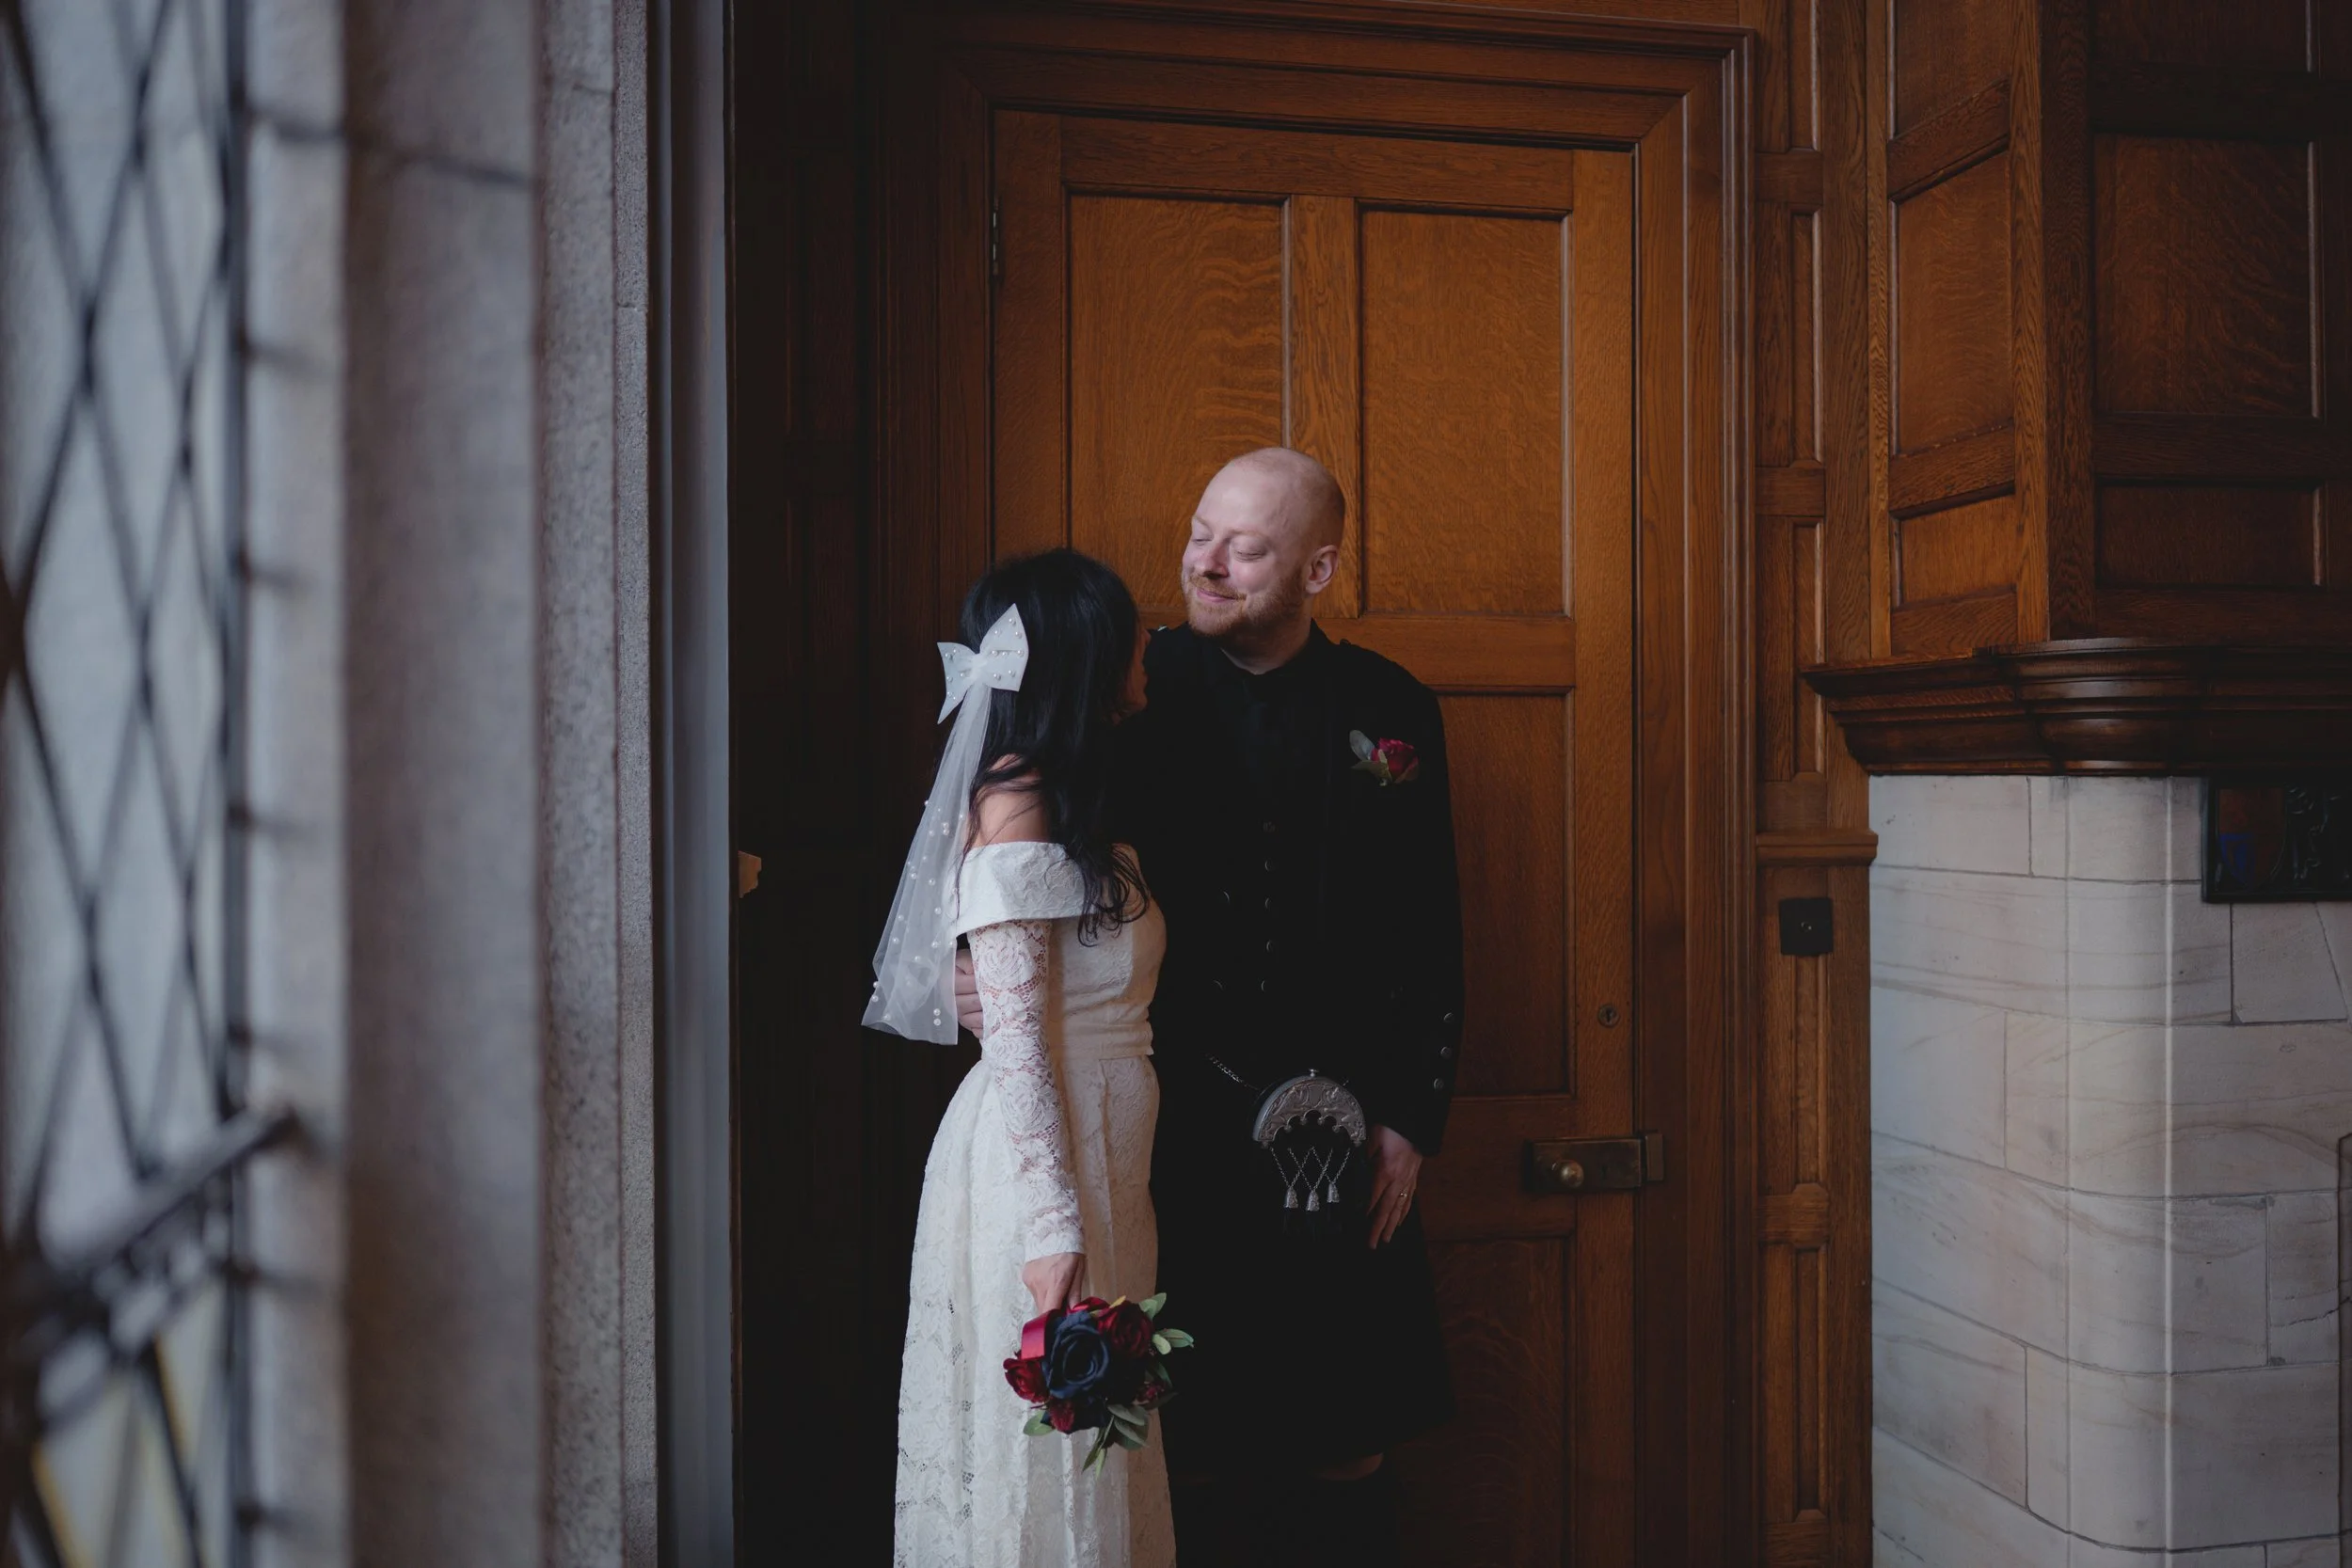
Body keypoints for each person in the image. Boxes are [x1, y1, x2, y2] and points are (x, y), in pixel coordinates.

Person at [960, 449, 1465, 1566]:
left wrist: (1409, 1116)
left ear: (1317, 566)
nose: (1206, 561)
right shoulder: (1127, 683)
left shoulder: (1390, 707)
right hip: (1165, 1131)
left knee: (1345, 1441)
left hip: (1342, 1135)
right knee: (1173, 1440)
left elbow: (1429, 925)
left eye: (1246, 545)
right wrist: (980, 975)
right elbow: (1018, 862)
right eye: (1200, 532)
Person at [873, 549, 1175, 1568]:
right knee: (1051, 1459)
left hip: (1101, 1159)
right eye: (1129, 638)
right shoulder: (1016, 799)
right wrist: (1053, 1223)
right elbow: (1018, 1040)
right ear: (1088, 658)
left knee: (1099, 1447)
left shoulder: (1070, 794)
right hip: (1039, 1160)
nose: (1147, 654)